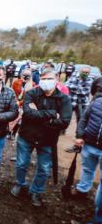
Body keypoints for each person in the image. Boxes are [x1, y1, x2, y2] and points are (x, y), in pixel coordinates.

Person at [11, 69, 72, 207]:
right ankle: (20, 183)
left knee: (44, 168)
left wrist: (37, 114)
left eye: (49, 78)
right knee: (21, 163)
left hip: (47, 140)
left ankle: (36, 191)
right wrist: (51, 114)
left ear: (57, 80)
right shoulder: (31, 93)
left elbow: (64, 122)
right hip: (27, 136)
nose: (46, 81)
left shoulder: (63, 99)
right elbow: (27, 113)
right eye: (43, 78)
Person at [71, 81, 102, 201]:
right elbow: (84, 119)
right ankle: (82, 191)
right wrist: (80, 135)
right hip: (89, 145)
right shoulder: (97, 102)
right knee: (87, 169)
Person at [9, 69, 36, 140]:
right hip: (15, 102)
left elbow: (30, 97)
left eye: (28, 75)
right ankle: (9, 132)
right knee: (12, 118)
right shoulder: (16, 82)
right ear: (21, 74)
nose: (26, 76)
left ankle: (14, 133)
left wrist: (20, 102)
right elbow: (12, 92)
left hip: (24, 104)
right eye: (25, 74)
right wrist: (15, 101)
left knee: (19, 120)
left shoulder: (32, 84)